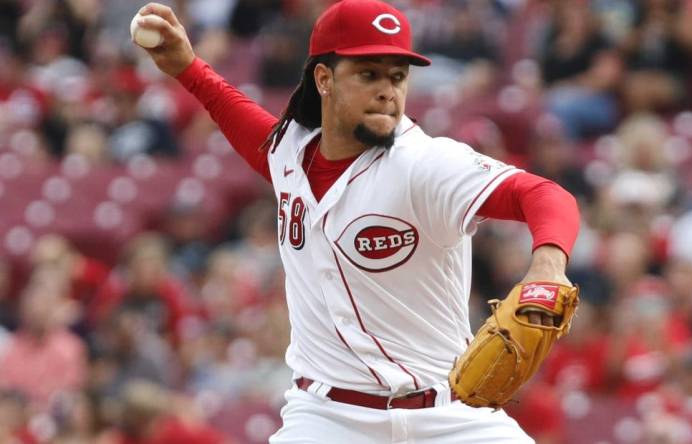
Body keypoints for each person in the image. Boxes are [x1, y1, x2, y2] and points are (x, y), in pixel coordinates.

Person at [135, 1, 580, 442]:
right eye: (369, 74)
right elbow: (250, 129)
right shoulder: (290, 151)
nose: (388, 90)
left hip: (449, 417)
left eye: (398, 75)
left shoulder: (425, 164)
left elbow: (544, 195)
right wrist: (188, 68)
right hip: (327, 419)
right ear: (324, 79)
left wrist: (548, 266)